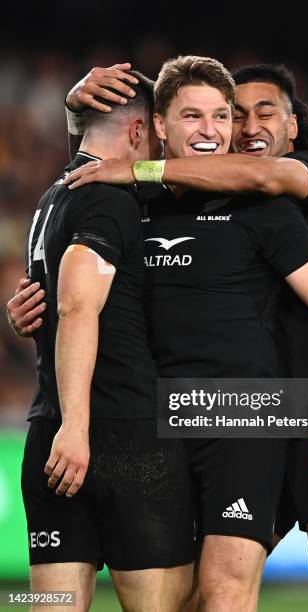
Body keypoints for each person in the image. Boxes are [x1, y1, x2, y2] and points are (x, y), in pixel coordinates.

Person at [58, 61, 308, 611]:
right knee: (194, 596)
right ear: (164, 125)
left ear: (294, 126)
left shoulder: (293, 182)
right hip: (225, 412)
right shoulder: (151, 204)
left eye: (264, 112)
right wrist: (76, 114)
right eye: (234, 115)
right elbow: (90, 171)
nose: (244, 126)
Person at [13, 71, 194, 612]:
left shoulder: (53, 197)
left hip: (48, 438)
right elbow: (76, 305)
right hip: (122, 436)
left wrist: (65, 425)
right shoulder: (109, 200)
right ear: (138, 130)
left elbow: (50, 305)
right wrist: (79, 424)